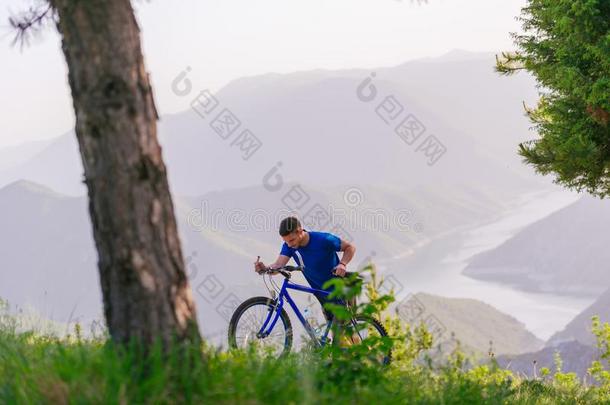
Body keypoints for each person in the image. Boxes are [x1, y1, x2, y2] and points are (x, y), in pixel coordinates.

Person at [253, 216, 357, 325]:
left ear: (299, 231)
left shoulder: (323, 239)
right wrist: (265, 269)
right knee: (336, 335)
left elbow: (350, 247)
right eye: (286, 241)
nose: (289, 244)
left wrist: (342, 264)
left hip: (340, 290)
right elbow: (279, 265)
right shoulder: (290, 246)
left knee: (344, 332)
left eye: (291, 240)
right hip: (322, 295)